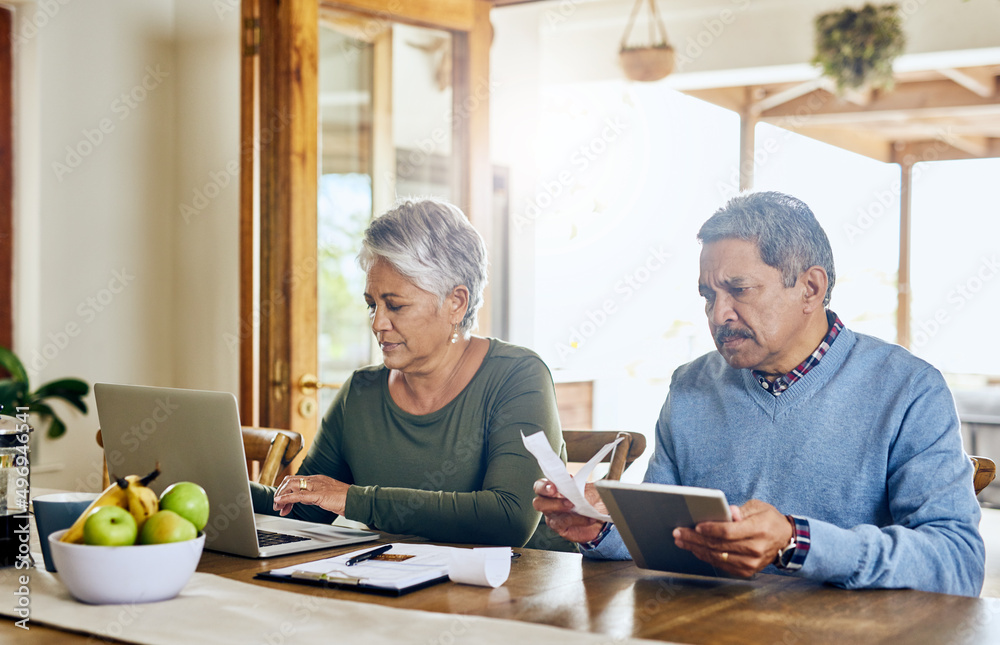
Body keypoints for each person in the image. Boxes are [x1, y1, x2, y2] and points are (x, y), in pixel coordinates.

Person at [534, 191, 985, 596]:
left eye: (739, 290)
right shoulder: (690, 385)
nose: (718, 314)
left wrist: (796, 541)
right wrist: (599, 526)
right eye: (708, 296)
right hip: (711, 628)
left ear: (811, 288)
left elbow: (958, 561)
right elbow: (669, 539)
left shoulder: (909, 388)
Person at [251, 198, 567, 548]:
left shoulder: (519, 376)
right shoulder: (360, 393)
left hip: (516, 592)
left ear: (456, 303)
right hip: (400, 589)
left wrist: (355, 499)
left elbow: (508, 519)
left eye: (395, 305)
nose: (377, 323)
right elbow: (301, 512)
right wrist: (216, 487)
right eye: (372, 304)